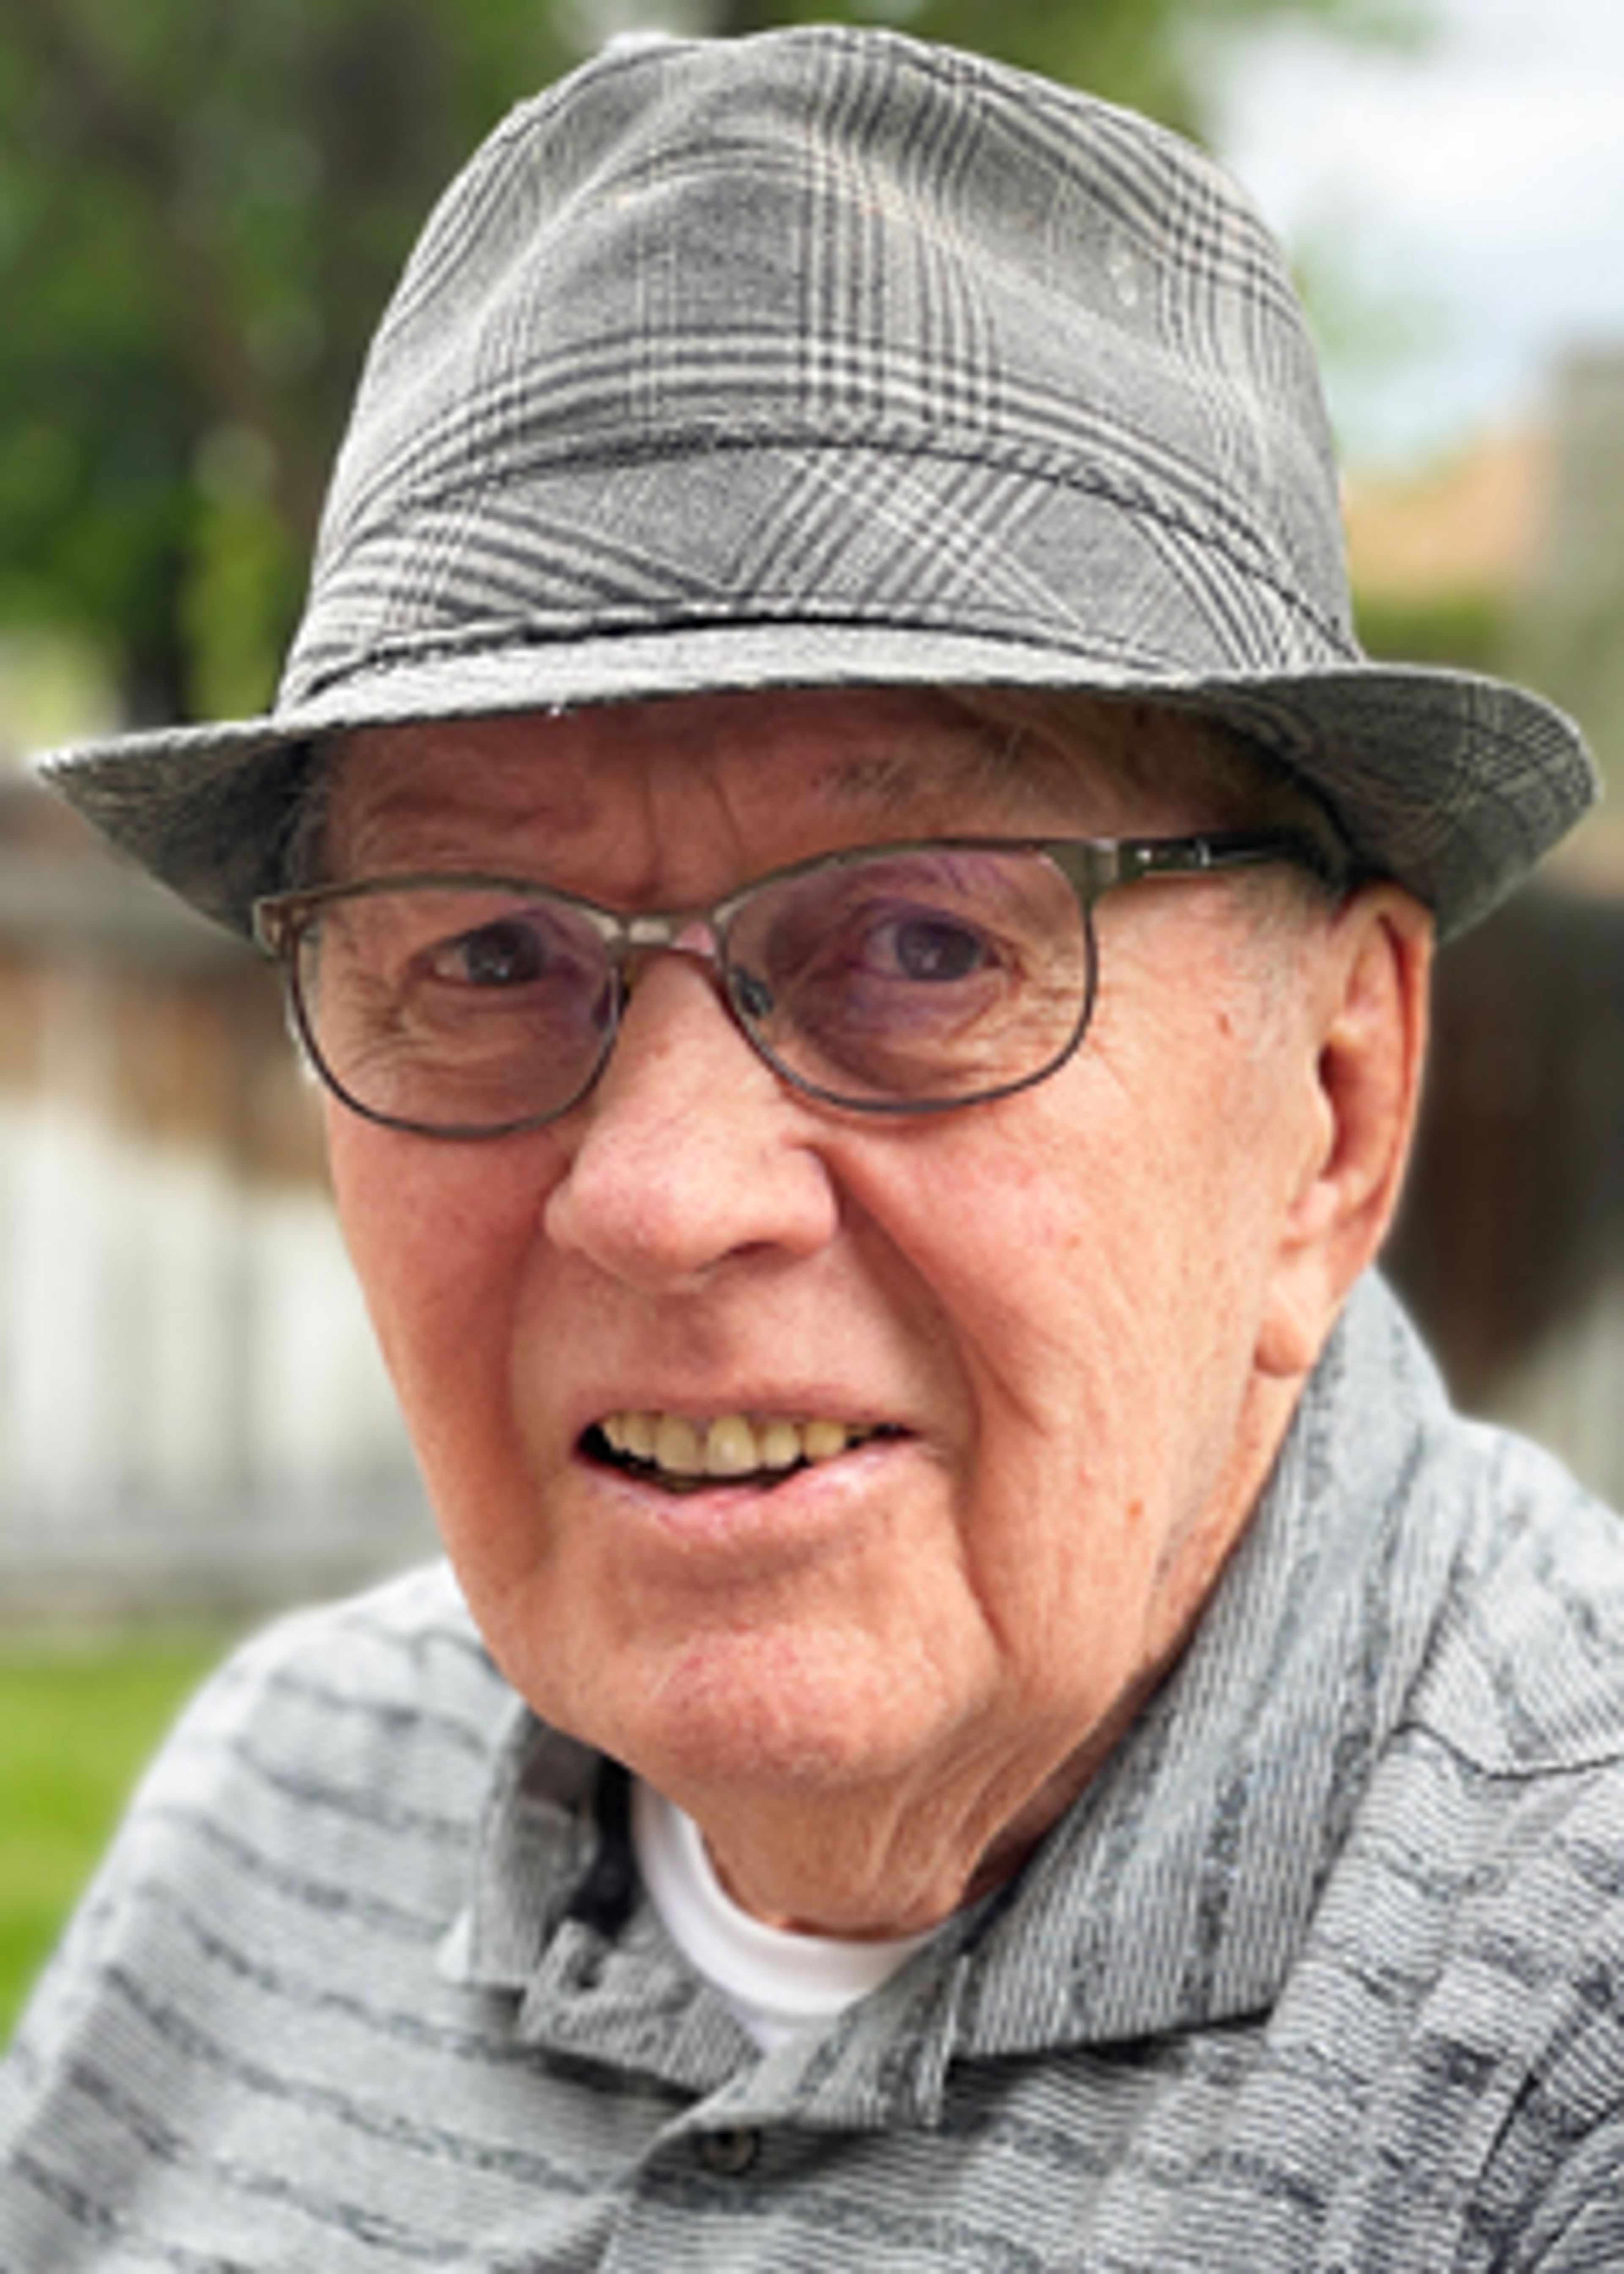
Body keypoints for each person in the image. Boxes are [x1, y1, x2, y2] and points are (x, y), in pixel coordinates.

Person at [2, 24, 1618, 2270]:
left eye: (928, 946)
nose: (665, 1198)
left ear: (1332, 1108)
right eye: (485, 954)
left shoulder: (1557, 2048)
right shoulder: (279, 1806)